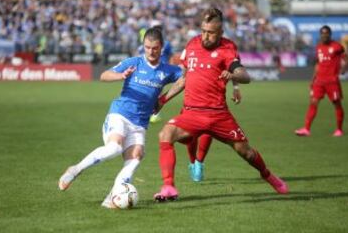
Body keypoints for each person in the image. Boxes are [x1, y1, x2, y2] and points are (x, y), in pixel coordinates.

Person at [153, 8, 289, 202]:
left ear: (221, 32)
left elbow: (245, 76)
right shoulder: (192, 45)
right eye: (203, 31)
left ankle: (268, 175)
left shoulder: (227, 49)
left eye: (211, 33)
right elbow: (184, 79)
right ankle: (168, 186)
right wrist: (163, 100)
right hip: (192, 113)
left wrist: (233, 76)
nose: (205, 36)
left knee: (246, 152)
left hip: (218, 115)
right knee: (165, 134)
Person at [58, 28, 183, 209]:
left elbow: (186, 77)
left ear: (161, 47)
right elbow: (103, 75)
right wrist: (121, 75)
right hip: (120, 114)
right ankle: (75, 170)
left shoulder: (167, 70)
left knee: (136, 156)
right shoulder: (134, 62)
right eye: (147, 47)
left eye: (154, 48)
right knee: (114, 147)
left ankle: (113, 196)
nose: (150, 51)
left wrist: (164, 98)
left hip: (140, 123)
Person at [295, 25, 348, 137]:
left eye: (326, 33)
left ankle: (339, 130)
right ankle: (306, 129)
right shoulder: (318, 47)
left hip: (332, 81)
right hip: (319, 81)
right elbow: (318, 64)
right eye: (322, 33)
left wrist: (344, 69)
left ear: (330, 34)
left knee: (337, 104)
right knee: (313, 102)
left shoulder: (337, 46)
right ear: (320, 35)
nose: (324, 35)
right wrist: (313, 78)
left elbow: (346, 58)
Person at [186, 84, 242, 182]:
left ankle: (194, 164)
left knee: (192, 130)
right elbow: (235, 69)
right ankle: (197, 164)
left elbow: (184, 74)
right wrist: (236, 87)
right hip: (211, 98)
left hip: (196, 97)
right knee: (204, 129)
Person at [137, 21, 174, 124]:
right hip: (150, 69)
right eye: (156, 27)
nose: (158, 29)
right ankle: (151, 113)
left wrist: (170, 67)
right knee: (150, 90)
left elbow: (170, 56)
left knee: (157, 91)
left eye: (159, 27)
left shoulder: (166, 44)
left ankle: (154, 114)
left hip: (162, 70)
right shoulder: (145, 45)